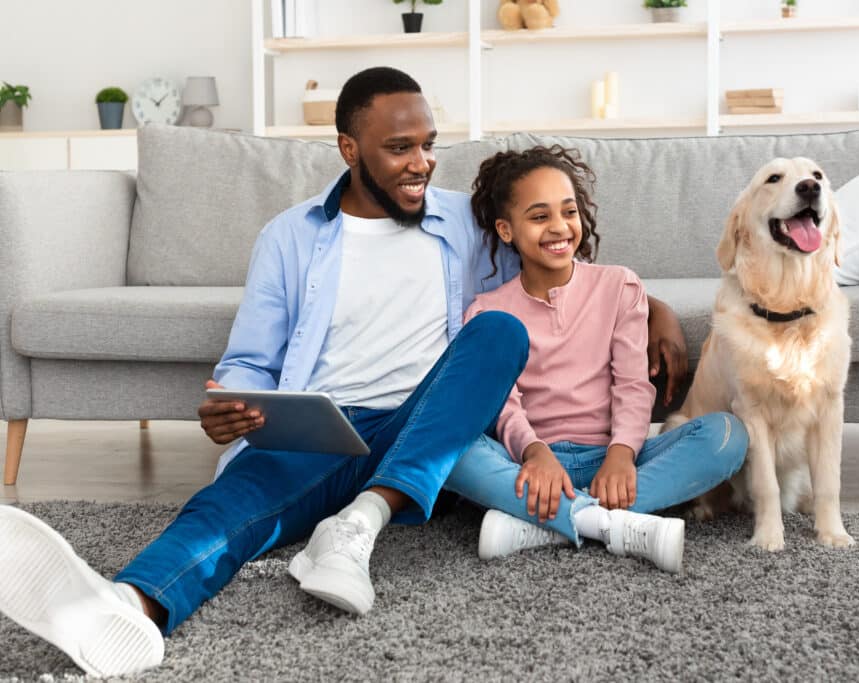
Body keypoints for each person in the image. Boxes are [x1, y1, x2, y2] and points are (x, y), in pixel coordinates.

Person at [0, 67, 689, 677]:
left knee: (498, 332)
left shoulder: (470, 223)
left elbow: (561, 269)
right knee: (228, 510)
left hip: (432, 430)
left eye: (427, 145)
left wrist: (651, 305)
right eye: (399, 149)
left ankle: (360, 519)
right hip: (326, 429)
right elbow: (248, 361)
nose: (421, 163)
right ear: (349, 149)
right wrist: (227, 405)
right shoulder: (290, 237)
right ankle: (128, 608)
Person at [444, 146, 749, 573]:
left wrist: (622, 454)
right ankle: (605, 522)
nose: (558, 227)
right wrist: (534, 453)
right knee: (447, 444)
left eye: (568, 212)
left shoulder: (618, 286)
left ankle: (545, 523)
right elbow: (503, 405)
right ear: (506, 229)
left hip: (614, 458)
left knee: (729, 434)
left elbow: (631, 384)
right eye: (538, 217)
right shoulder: (486, 312)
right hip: (529, 463)